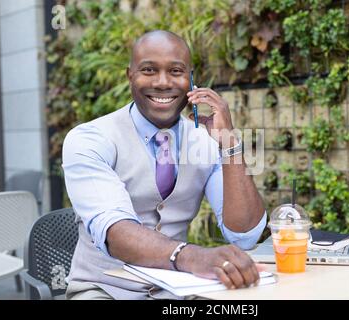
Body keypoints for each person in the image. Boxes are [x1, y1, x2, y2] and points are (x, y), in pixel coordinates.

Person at [62, 30, 267, 300]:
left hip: (174, 291)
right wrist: (193, 256)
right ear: (130, 76)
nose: (162, 82)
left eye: (176, 71)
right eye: (148, 70)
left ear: (191, 79)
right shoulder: (90, 139)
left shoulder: (205, 139)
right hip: (104, 290)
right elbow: (116, 232)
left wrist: (229, 144)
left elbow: (245, 236)